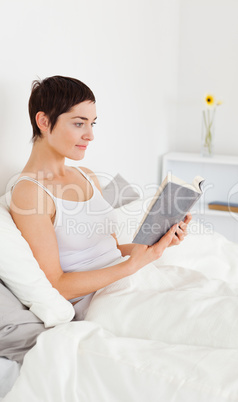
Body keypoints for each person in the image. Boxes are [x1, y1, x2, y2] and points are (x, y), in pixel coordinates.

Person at [10, 75, 191, 315]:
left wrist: (156, 244)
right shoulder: (30, 192)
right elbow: (57, 285)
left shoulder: (87, 176)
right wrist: (133, 265)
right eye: (79, 123)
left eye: (92, 123)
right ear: (43, 121)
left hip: (133, 280)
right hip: (102, 302)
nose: (90, 135)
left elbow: (111, 249)